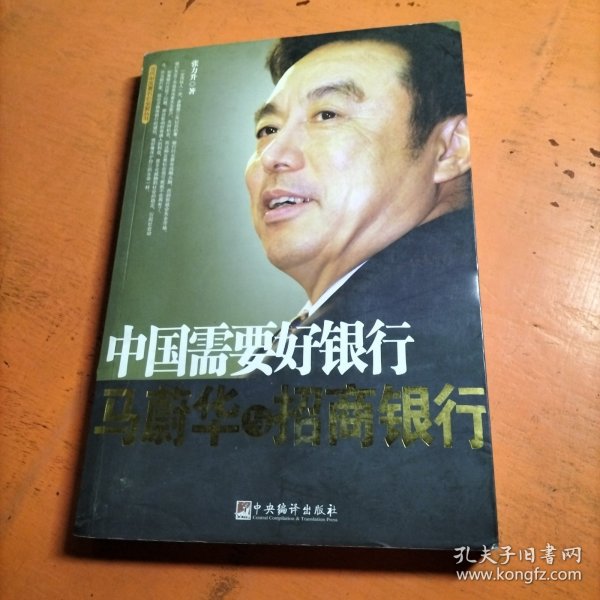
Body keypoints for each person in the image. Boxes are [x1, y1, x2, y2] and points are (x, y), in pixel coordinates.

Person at [244, 24, 483, 385]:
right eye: (268, 130)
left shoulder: (423, 343)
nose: (272, 156)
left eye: (327, 115)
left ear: (449, 149)